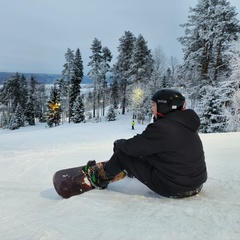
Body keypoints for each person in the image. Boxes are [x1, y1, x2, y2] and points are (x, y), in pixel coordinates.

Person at [84, 88, 207, 198]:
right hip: (195, 184)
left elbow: (131, 148)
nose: (152, 108)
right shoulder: (185, 124)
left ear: (164, 106)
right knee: (146, 151)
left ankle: (99, 178)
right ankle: (130, 170)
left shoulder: (163, 128)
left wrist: (119, 144)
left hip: (175, 188)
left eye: (154, 104)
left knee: (122, 154)